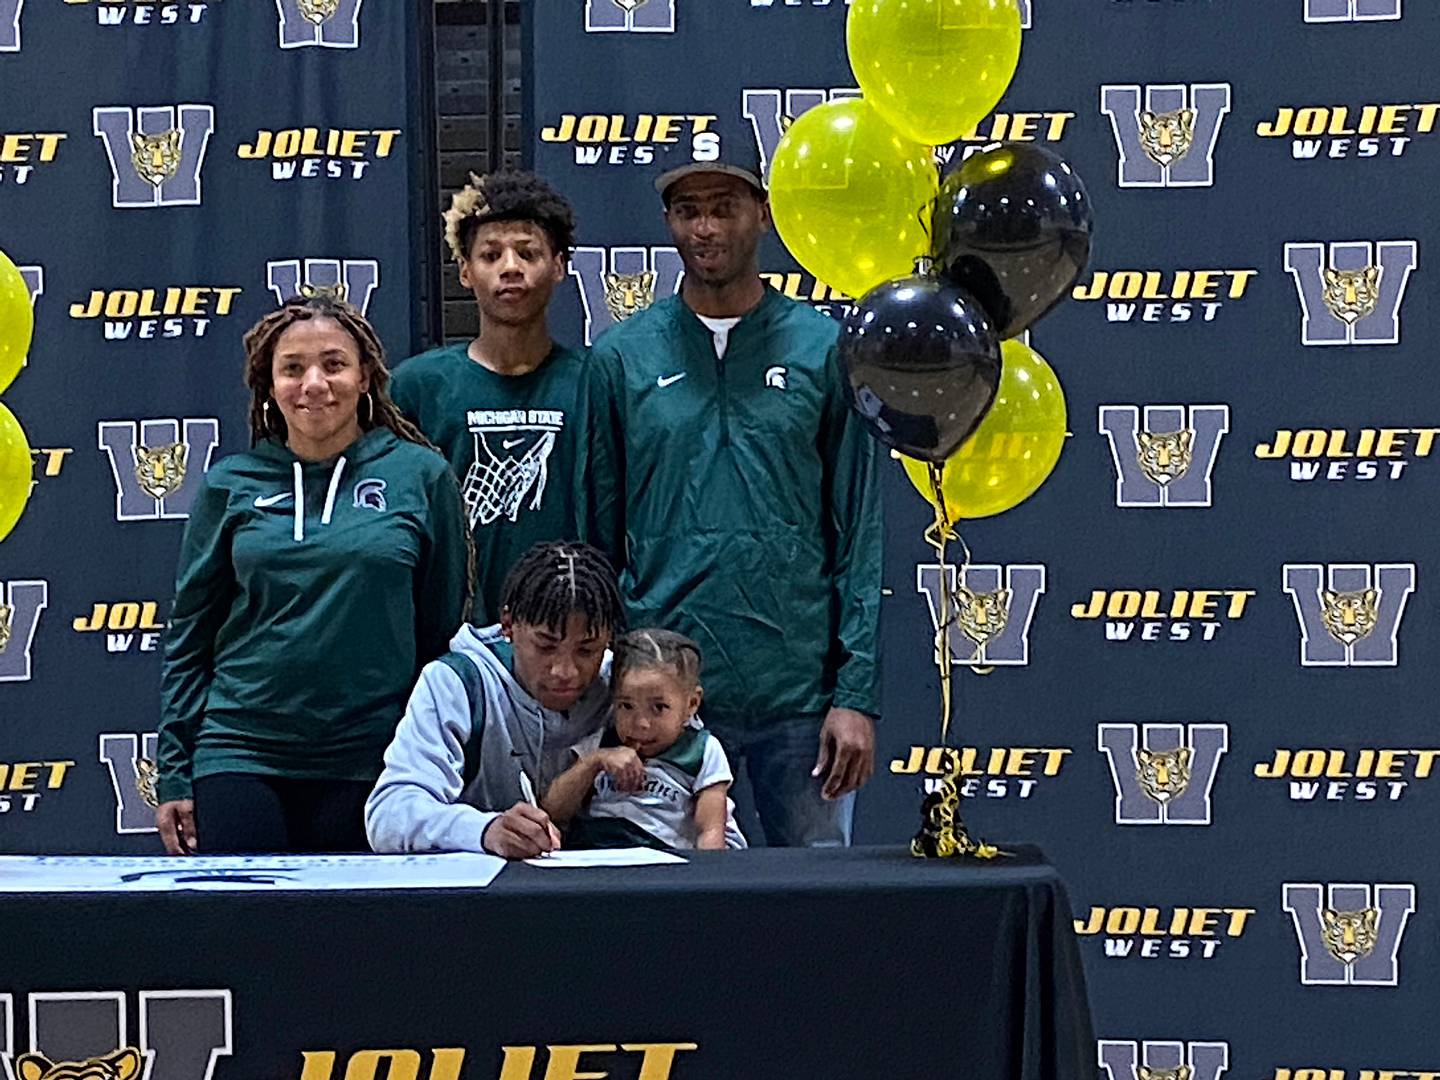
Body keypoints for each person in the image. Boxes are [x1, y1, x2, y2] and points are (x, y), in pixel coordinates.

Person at [582, 151, 883, 848]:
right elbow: (597, 540)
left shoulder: (824, 349)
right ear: (668, 224)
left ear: (764, 215)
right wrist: (614, 695)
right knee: (670, 929)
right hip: (664, 708)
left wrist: (855, 695)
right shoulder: (623, 356)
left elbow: (859, 534)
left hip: (799, 700)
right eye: (688, 212)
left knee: (816, 918)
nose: (706, 228)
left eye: (725, 208)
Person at [155, 292, 472, 856]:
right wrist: (175, 770)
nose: (314, 384)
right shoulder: (231, 484)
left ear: (366, 376)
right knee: (242, 935)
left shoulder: (420, 476)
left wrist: (429, 753)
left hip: (373, 754)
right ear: (268, 385)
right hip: (241, 748)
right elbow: (191, 635)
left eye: (334, 364)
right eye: (292, 368)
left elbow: (439, 629)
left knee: (354, 940)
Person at [389, 169, 586, 624]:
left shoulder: (595, 380)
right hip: (453, 639)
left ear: (558, 266)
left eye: (528, 252)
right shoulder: (416, 386)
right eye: (491, 254)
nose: (510, 267)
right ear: (464, 271)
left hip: (568, 642)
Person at [365, 541, 625, 859]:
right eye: (545, 646)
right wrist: (484, 830)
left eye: (587, 650)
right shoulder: (457, 683)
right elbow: (388, 814)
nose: (565, 671)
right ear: (508, 625)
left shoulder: (626, 684)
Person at [542, 628, 745, 851]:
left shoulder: (703, 750)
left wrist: (706, 881)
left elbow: (711, 830)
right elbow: (553, 811)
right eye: (626, 706)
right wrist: (594, 762)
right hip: (594, 852)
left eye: (659, 708)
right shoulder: (600, 743)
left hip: (661, 859)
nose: (641, 724)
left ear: (691, 704)